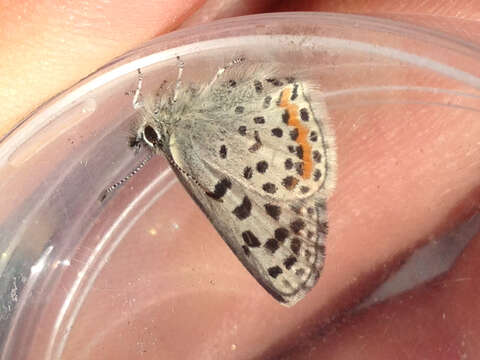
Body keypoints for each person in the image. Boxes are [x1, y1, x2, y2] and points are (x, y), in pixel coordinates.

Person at [1, 1, 479, 359]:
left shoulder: (178, 138)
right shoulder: (178, 137)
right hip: (266, 132)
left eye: (150, 135)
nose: (148, 131)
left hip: (263, 135)